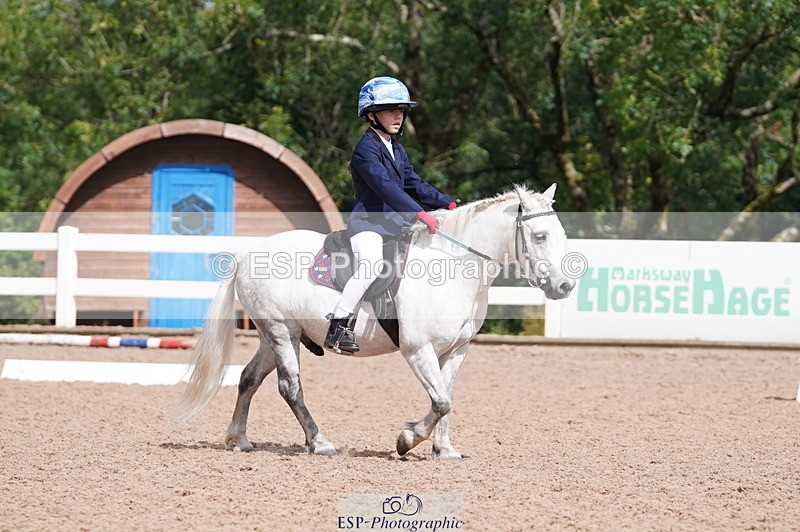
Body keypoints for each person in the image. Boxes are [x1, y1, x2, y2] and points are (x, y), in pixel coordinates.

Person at [324, 76, 456, 353]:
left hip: (395, 226)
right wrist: (420, 213)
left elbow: (414, 183)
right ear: (372, 115)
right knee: (370, 265)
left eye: (402, 111)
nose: (398, 116)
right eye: (390, 110)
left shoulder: (397, 148)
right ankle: (338, 327)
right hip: (369, 225)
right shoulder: (365, 149)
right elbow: (385, 188)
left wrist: (447, 204)